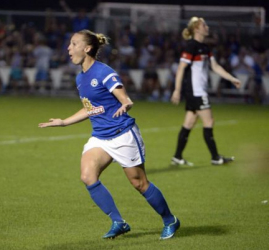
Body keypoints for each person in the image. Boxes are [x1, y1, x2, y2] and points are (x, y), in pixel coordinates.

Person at [39, 29, 180, 240]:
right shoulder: (81, 78)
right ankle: (118, 222)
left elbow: (125, 98)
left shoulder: (104, 72)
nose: (69, 48)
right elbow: (90, 108)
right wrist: (64, 122)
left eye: (73, 44)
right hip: (100, 137)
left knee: (139, 183)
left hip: (122, 133)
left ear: (87, 48)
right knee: (87, 176)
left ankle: (170, 220)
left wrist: (126, 103)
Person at [170, 17, 241, 166]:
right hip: (196, 92)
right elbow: (181, 68)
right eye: (204, 25)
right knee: (209, 121)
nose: (207, 27)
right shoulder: (191, 47)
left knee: (189, 122)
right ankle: (215, 157)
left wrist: (231, 78)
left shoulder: (205, 48)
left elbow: (215, 67)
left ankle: (177, 157)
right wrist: (177, 90)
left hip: (197, 91)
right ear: (196, 28)